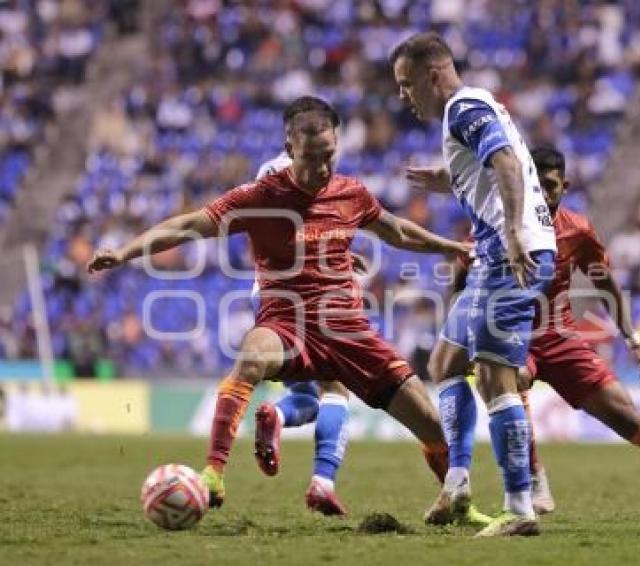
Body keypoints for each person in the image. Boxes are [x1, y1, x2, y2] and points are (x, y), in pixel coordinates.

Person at [87, 96, 463, 515]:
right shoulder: (260, 197)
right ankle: (213, 474)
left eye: (329, 156)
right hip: (287, 324)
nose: (323, 168)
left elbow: (397, 231)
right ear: (289, 151)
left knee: (432, 426)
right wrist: (125, 252)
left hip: (348, 330)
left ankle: (456, 502)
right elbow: (187, 225)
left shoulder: (351, 193)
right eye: (312, 158)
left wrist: (451, 246)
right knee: (251, 357)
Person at [412, 146, 640, 521]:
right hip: (510, 332)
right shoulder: (498, 223)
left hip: (560, 336)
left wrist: (632, 340)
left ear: (565, 186)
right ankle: (535, 481)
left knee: (627, 415)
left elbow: (606, 285)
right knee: (513, 378)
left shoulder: (578, 230)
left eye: (551, 186)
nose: (542, 193)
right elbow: (462, 278)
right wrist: (462, 325)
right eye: (534, 185)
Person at [392, 32, 557, 537]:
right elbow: (486, 166)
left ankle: (519, 507)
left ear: (433, 74)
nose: (404, 96)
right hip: (493, 257)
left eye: (407, 84)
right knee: (444, 362)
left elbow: (505, 161)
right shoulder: (465, 114)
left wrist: (510, 231)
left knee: (493, 378)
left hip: (511, 253)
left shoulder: (463, 105)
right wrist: (447, 178)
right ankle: (458, 483)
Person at [250, 151, 353, 516]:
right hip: (311, 294)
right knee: (336, 390)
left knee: (308, 402)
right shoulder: (305, 174)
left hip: (264, 296)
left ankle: (276, 416)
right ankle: (323, 482)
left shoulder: (266, 172)